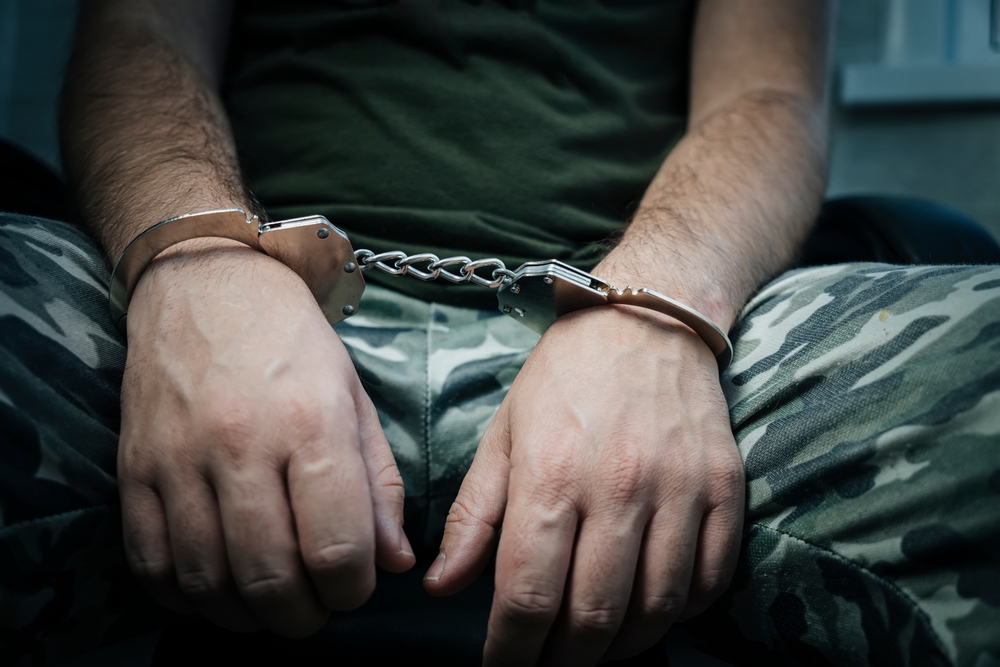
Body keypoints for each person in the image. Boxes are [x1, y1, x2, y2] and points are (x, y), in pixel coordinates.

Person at [1, 0, 998, 665]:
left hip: (649, 325)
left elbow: (768, 96)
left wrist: (649, 309)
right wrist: (198, 262)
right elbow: (140, 35)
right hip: (237, 299)